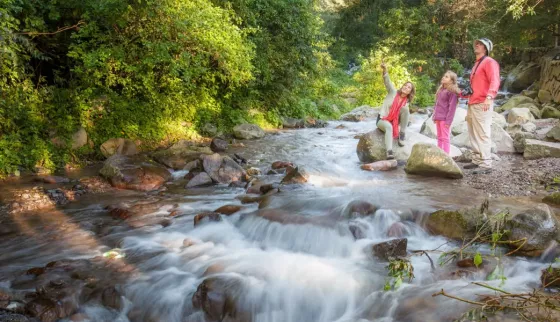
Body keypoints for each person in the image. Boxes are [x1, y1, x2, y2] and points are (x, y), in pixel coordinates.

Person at [462, 38, 500, 174]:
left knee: (483, 133)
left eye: (480, 44)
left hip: (483, 103)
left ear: (486, 48)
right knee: (473, 132)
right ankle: (477, 160)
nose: (477, 45)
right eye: (476, 43)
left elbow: (495, 80)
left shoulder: (490, 62)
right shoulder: (477, 64)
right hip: (473, 102)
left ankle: (486, 163)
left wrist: (489, 97)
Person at [377, 62, 415, 160]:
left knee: (406, 109)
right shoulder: (393, 92)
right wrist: (385, 69)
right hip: (382, 119)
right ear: (402, 86)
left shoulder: (406, 102)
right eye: (405, 86)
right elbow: (387, 81)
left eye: (409, 88)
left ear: (410, 92)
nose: (406, 88)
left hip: (394, 121)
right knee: (388, 127)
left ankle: (402, 133)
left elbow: (403, 115)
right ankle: (389, 152)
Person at [432, 70, 460, 154]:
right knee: (439, 137)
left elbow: (452, 109)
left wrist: (448, 121)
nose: (443, 77)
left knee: (445, 138)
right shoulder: (441, 90)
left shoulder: (452, 92)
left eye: (446, 77)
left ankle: (446, 155)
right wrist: (434, 116)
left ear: (451, 81)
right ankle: (439, 154)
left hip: (445, 119)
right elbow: (437, 105)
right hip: (438, 117)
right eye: (444, 76)